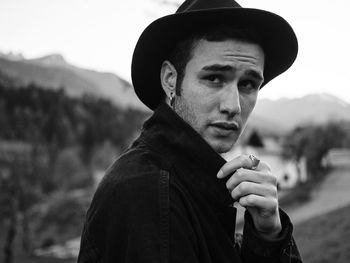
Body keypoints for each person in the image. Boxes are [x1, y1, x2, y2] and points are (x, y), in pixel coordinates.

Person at [78, 0, 303, 262]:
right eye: (214, 78)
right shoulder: (150, 194)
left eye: (249, 84)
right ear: (170, 79)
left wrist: (268, 235)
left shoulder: (190, 180)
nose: (233, 106)